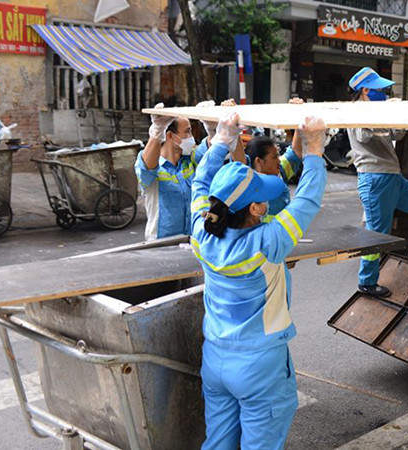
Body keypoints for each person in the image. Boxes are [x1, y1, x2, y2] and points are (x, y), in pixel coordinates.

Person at [189, 111, 328, 449]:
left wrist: (221, 141)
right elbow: (308, 199)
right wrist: (315, 150)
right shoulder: (268, 243)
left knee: (218, 442)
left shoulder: (201, 234)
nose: (269, 200)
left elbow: (199, 184)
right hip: (259, 367)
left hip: (216, 359)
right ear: (254, 209)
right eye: (262, 197)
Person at [347, 66, 408, 298]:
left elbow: (396, 134)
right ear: (365, 90)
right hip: (375, 177)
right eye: (380, 89)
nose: (384, 93)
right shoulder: (356, 111)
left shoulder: (379, 112)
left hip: (392, 176)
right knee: (377, 234)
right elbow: (364, 136)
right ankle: (366, 282)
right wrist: (386, 114)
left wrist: (406, 116)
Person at [136, 100, 228, 240]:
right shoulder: (154, 164)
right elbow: (146, 168)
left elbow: (212, 150)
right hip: (162, 244)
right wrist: (158, 130)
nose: (191, 137)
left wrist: (213, 128)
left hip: (194, 240)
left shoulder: (190, 159)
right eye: (187, 132)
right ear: (171, 136)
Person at [245, 99, 305, 222]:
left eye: (278, 156)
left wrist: (300, 117)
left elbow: (296, 152)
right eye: (274, 157)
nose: (278, 160)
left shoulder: (280, 171)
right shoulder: (245, 184)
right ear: (258, 161)